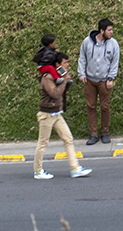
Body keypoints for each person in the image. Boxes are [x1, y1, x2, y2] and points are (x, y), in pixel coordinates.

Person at [33, 52, 92, 180]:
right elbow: (55, 93)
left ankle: (75, 168)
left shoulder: (58, 75)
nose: (67, 65)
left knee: (68, 139)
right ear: (57, 64)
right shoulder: (47, 77)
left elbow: (62, 91)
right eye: (65, 63)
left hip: (56, 114)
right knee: (43, 143)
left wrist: (66, 80)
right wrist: (64, 81)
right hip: (47, 114)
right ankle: (38, 171)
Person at [78, 18, 120, 145]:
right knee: (91, 107)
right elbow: (82, 58)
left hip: (104, 81)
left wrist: (110, 78)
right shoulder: (87, 42)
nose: (112, 32)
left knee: (105, 107)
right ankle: (93, 134)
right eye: (109, 30)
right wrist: (81, 73)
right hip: (90, 80)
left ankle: (105, 132)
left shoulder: (113, 44)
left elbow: (114, 62)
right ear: (101, 31)